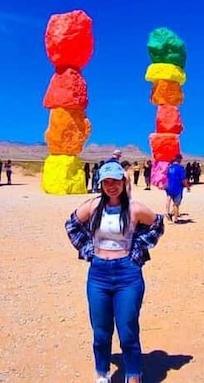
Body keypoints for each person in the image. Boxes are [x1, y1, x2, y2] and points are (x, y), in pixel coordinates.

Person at [63, 161, 166, 383]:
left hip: (128, 275)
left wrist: (138, 249)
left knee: (128, 331)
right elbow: (71, 225)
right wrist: (88, 249)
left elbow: (158, 224)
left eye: (115, 181)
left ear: (123, 182)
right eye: (106, 182)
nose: (111, 186)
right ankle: (102, 374)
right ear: (101, 183)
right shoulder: (93, 206)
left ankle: (133, 375)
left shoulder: (135, 208)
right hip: (98, 275)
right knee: (101, 333)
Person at [165, 154, 189, 222]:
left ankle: (168, 212)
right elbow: (183, 179)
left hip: (169, 187)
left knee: (169, 199)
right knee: (176, 204)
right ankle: (175, 219)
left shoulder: (169, 168)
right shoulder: (180, 168)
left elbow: (166, 177)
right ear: (179, 159)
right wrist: (187, 186)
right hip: (178, 188)